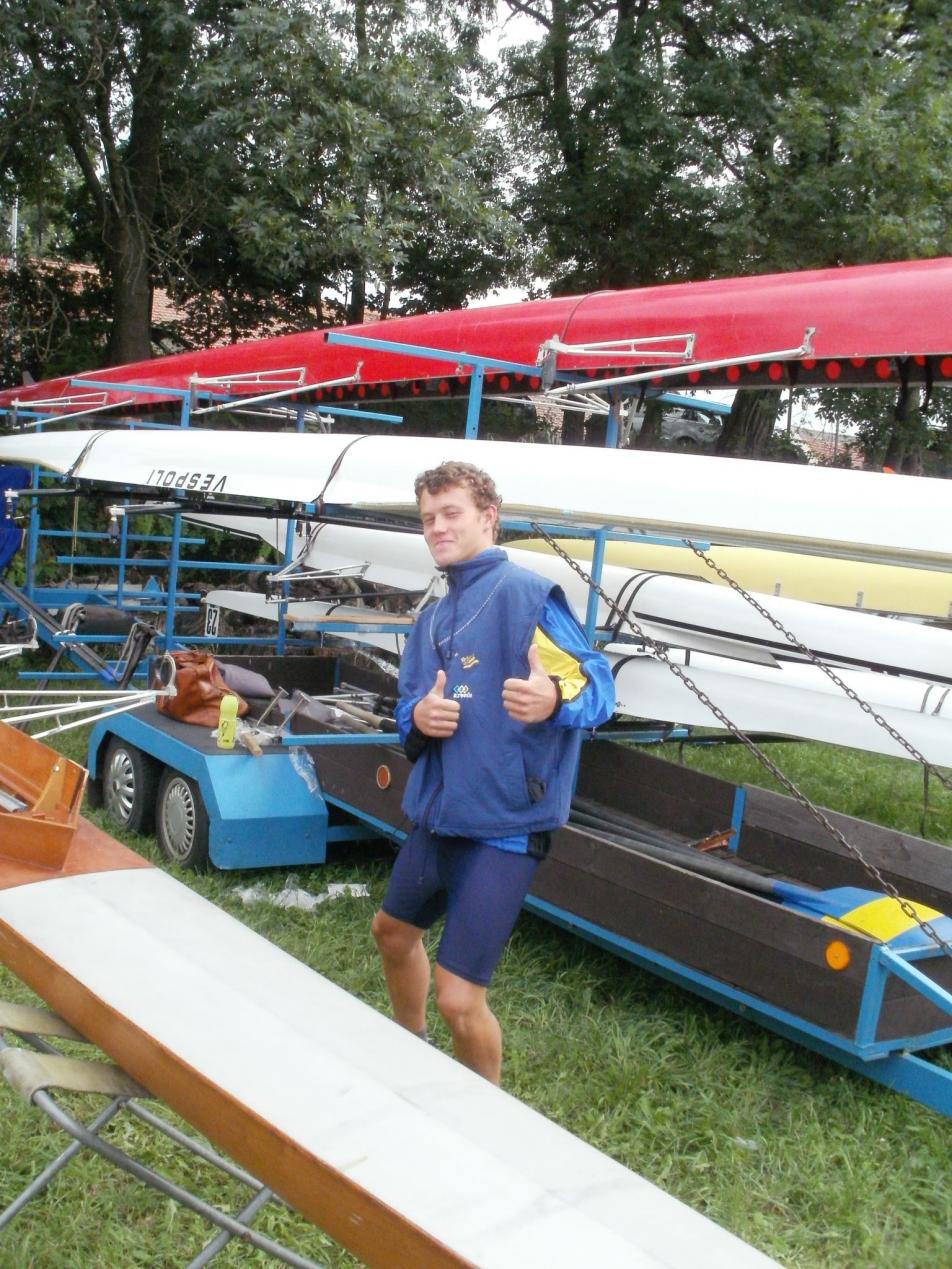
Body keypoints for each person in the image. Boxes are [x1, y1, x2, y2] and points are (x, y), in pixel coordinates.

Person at [371, 460, 614, 1084]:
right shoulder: (432, 618)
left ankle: (488, 1117)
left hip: (504, 827)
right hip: (438, 817)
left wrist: (554, 701)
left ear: (488, 517)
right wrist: (418, 717)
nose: (437, 527)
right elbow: (406, 708)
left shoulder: (525, 597)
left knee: (459, 998)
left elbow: (599, 686)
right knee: (391, 933)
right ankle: (409, 1047)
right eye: (428, 518)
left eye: (451, 513)